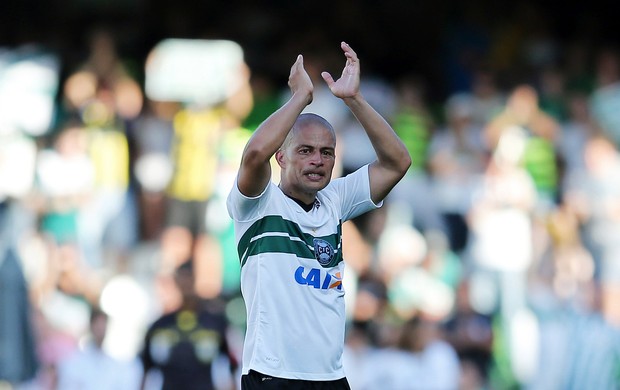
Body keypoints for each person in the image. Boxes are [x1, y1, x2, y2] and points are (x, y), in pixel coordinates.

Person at [226, 41, 411, 388]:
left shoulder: (335, 200)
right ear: (281, 157)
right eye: (306, 150)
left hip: (331, 379)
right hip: (273, 376)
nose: (318, 160)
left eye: (327, 152)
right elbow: (253, 155)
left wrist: (352, 100)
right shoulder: (257, 205)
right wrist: (299, 99)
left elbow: (397, 162)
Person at [139, 260, 238, 390]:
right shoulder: (160, 326)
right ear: (175, 281)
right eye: (182, 277)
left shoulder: (215, 323)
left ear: (196, 279)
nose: (186, 283)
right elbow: (145, 370)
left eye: (189, 277)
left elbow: (232, 366)